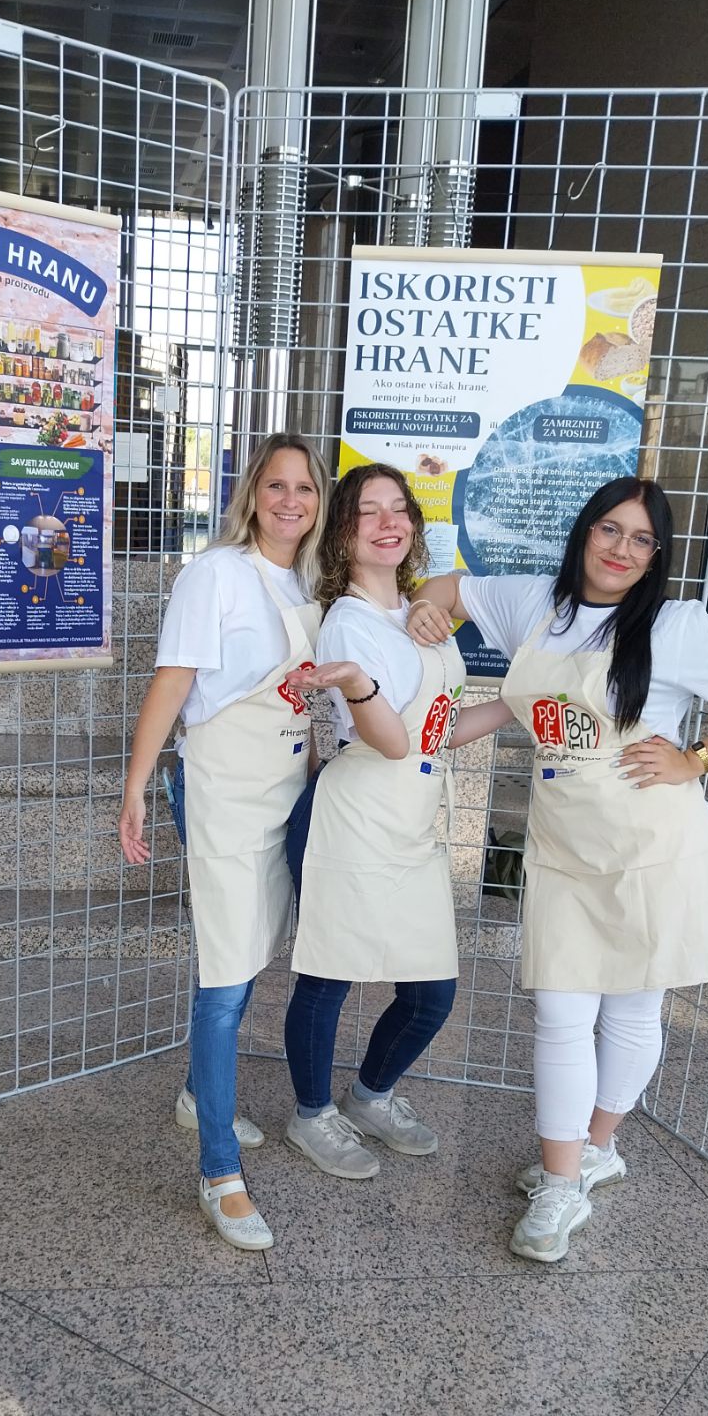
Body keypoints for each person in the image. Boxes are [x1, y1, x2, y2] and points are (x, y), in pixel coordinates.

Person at [408, 476, 708, 1262]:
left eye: (641, 539)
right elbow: (446, 588)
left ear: (656, 555)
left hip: (654, 848)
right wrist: (425, 606)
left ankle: (589, 1152)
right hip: (561, 844)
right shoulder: (536, 606)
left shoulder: (675, 626)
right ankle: (560, 1181)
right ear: (585, 532)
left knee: (630, 1013)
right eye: (610, 530)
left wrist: (697, 757)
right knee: (558, 1013)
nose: (622, 549)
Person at [118, 433, 330, 1252]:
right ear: (252, 495)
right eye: (275, 486)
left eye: (304, 488)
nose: (290, 501)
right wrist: (134, 786)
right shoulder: (216, 574)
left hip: (283, 787)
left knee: (253, 955)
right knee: (224, 976)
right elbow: (173, 680)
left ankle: (193, 1094)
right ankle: (218, 1174)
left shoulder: (309, 581)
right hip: (221, 791)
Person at [279, 465, 512, 1179]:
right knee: (329, 975)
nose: (387, 523)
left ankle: (370, 1095)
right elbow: (389, 738)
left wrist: (518, 701)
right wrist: (358, 684)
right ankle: (312, 1114)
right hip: (355, 815)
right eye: (366, 512)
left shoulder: (413, 609)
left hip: (411, 819)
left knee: (430, 992)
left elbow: (436, 726)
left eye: (398, 510)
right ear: (343, 534)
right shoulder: (350, 620)